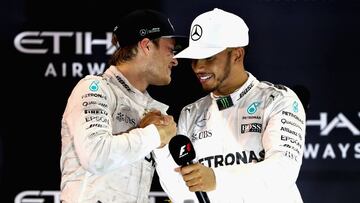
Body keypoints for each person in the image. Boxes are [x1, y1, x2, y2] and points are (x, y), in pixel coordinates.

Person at [154, 8, 306, 203]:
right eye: (194, 59)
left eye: (209, 57)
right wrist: (160, 147)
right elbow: (180, 193)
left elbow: (282, 172)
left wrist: (216, 179)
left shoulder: (278, 100)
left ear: (237, 54)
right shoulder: (191, 113)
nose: (199, 67)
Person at [59, 9, 184, 203]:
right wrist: (154, 135)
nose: (175, 60)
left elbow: (177, 187)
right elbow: (96, 157)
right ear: (147, 46)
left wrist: (159, 142)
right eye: (170, 50)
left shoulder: (155, 112)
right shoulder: (95, 88)